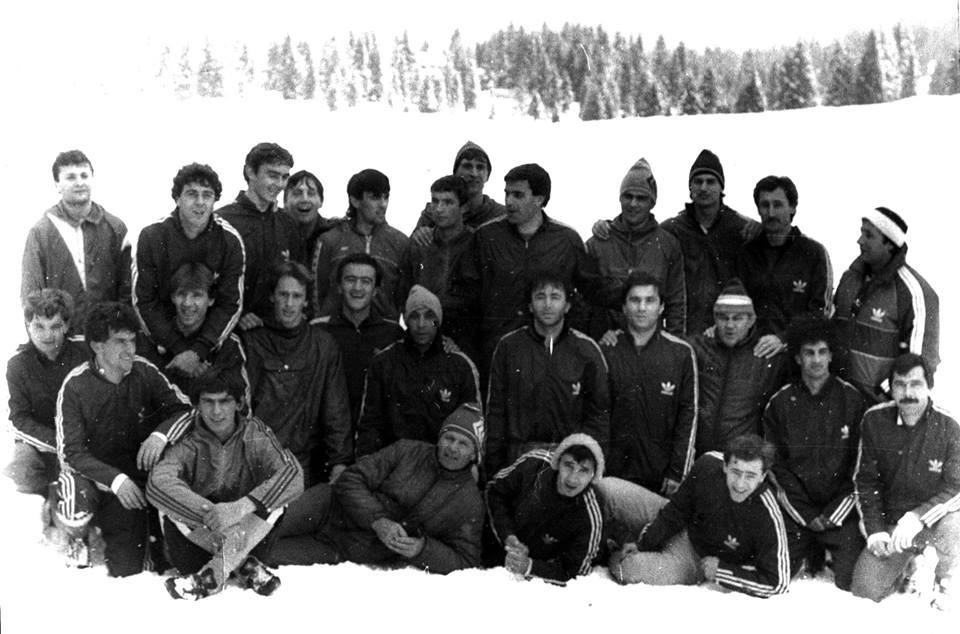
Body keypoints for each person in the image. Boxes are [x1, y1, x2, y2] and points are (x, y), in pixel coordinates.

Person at [54, 302, 193, 576]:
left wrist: (160, 435)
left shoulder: (144, 371)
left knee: (135, 567)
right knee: (73, 488)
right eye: (120, 341)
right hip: (100, 479)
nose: (130, 349)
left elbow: (185, 411)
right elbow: (71, 453)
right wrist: (115, 480)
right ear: (97, 346)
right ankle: (78, 536)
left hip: (140, 477)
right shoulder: (75, 385)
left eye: (132, 340)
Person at [266, 404, 485, 574]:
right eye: (449, 438)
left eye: (463, 444)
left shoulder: (469, 501)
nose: (452, 448)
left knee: (265, 554)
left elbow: (466, 561)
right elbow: (351, 478)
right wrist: (378, 520)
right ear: (440, 438)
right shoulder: (407, 451)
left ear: (474, 455)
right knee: (258, 529)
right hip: (326, 507)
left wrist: (422, 549)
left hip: (344, 549)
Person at [147, 370, 304, 600]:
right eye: (208, 402)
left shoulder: (254, 433)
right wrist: (215, 517)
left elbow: (292, 473)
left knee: (279, 495)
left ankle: (211, 577)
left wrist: (240, 508)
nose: (216, 411)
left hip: (248, 533)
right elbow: (158, 483)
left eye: (225, 401)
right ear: (197, 405)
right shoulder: (186, 438)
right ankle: (243, 565)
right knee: (168, 502)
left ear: (239, 403)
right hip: (198, 540)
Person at [453, 163, 607, 383]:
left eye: (518, 195)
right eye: (507, 193)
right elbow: (464, 297)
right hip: (496, 354)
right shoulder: (486, 237)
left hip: (552, 355)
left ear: (539, 199)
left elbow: (591, 292)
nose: (509, 202)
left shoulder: (566, 240)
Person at [604, 434, 791, 598]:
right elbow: (676, 509)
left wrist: (722, 572)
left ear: (763, 476)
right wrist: (642, 543)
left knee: (627, 569)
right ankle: (619, 538)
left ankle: (609, 549)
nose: (740, 484)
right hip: (680, 522)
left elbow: (778, 583)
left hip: (694, 556)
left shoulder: (767, 512)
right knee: (607, 488)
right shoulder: (708, 464)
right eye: (735, 472)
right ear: (725, 466)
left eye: (750, 476)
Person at [762, 317, 865, 590]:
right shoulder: (780, 403)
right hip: (797, 513)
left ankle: (828, 551)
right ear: (797, 358)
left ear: (831, 355)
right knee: (777, 573)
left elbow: (861, 466)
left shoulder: (852, 400)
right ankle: (810, 550)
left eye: (822, 352)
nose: (816, 360)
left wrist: (834, 513)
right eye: (809, 353)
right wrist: (806, 514)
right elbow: (776, 467)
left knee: (851, 582)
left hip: (839, 513)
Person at [851, 353, 959, 609]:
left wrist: (918, 517)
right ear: (891, 387)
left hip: (932, 522)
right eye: (900, 384)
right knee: (865, 590)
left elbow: (957, 487)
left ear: (929, 386)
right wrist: (875, 531)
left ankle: (945, 581)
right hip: (893, 525)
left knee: (955, 522)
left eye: (915, 384)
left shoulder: (949, 425)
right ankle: (910, 564)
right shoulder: (874, 420)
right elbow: (865, 482)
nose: (907, 392)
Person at [485, 273, 609, 475]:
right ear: (530, 305)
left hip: (569, 462)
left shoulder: (587, 351)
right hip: (517, 458)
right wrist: (493, 467)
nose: (548, 305)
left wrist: (587, 464)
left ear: (567, 305)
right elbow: (496, 412)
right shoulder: (509, 347)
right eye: (540, 296)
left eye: (555, 296)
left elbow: (599, 415)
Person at [242, 261, 351, 485]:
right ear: (272, 296)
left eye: (297, 296)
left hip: (301, 461)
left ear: (306, 301)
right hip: (255, 459)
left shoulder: (322, 345)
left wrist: (339, 461)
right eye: (283, 295)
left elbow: (335, 409)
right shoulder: (252, 340)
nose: (289, 304)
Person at [133, 163, 245, 379]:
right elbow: (143, 301)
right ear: (177, 198)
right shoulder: (152, 236)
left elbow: (231, 303)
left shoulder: (229, 241)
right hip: (161, 342)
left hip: (209, 346)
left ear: (215, 200)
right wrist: (179, 349)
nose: (200, 202)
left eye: (207, 195)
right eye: (192, 194)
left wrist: (198, 351)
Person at [356, 285, 480, 457]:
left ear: (438, 321)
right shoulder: (384, 362)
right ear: (406, 321)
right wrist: (365, 463)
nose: (421, 324)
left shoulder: (460, 365)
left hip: (442, 463)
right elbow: (370, 424)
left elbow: (474, 424)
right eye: (414, 316)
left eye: (430, 316)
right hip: (393, 463)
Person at [602, 272, 697, 496]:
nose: (642, 308)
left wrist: (677, 472)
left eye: (650, 300)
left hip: (659, 477)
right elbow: (595, 413)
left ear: (661, 307)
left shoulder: (681, 353)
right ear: (624, 307)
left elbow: (688, 417)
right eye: (635, 300)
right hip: (611, 473)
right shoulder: (606, 350)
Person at [833, 207, 939, 403]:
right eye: (861, 232)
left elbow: (921, 364)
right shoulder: (850, 278)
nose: (860, 241)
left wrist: (881, 394)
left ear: (889, 244)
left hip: (879, 406)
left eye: (869, 235)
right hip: (839, 400)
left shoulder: (914, 292)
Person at [22, 150, 131, 331]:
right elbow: (31, 293)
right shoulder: (41, 232)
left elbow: (127, 290)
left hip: (105, 336)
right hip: (61, 336)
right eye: (70, 177)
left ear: (92, 179)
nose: (79, 182)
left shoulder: (115, 228)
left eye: (84, 175)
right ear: (57, 184)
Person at [659, 149, 759, 336]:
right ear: (690, 188)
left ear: (721, 187)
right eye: (698, 181)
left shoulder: (742, 229)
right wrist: (607, 226)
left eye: (710, 181)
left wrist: (761, 230)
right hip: (683, 332)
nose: (703, 187)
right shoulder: (671, 230)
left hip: (728, 333)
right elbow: (641, 234)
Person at [486, 433, 605, 583]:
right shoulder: (533, 466)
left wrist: (530, 566)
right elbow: (494, 491)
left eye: (584, 470)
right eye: (568, 465)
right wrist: (508, 535)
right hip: (493, 549)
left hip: (536, 578)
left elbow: (575, 571)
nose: (572, 478)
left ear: (594, 476)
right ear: (558, 462)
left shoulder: (590, 512)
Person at [585, 158, 685, 337]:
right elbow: (583, 304)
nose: (633, 204)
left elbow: (676, 304)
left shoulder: (668, 245)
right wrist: (597, 338)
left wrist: (672, 345)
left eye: (641, 198)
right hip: (607, 344)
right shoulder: (597, 244)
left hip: (653, 345)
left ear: (652, 202)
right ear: (620, 198)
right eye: (628, 196)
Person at [689, 278, 788, 455]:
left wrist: (784, 340)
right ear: (714, 319)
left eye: (738, 318)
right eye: (723, 318)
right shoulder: (698, 348)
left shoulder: (767, 356)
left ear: (751, 321)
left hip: (741, 460)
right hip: (698, 455)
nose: (730, 325)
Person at [5, 289, 89, 496]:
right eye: (39, 326)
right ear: (28, 325)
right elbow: (19, 419)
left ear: (66, 326)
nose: (47, 335)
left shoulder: (85, 351)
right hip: (44, 442)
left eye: (55, 327)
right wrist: (59, 442)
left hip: (84, 439)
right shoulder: (18, 365)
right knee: (22, 470)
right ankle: (44, 499)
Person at [736, 176, 832, 342]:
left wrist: (784, 339)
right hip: (753, 348)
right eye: (765, 205)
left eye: (778, 205)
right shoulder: (747, 253)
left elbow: (820, 312)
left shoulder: (814, 253)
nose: (771, 213)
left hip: (795, 349)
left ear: (793, 207)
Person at [218, 142, 303, 330]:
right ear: (250, 172)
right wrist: (240, 314)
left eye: (284, 177)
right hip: (232, 327)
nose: (279, 184)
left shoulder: (287, 224)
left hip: (278, 328)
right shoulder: (223, 222)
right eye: (272, 175)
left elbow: (297, 278)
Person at [313, 253, 404, 424]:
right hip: (327, 429)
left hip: (375, 430)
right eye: (350, 279)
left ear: (376, 290)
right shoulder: (319, 331)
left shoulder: (393, 333)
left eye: (366, 281)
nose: (357, 288)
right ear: (339, 286)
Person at [312, 168, 409, 320]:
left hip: (383, 330)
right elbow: (316, 294)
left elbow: (403, 298)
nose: (383, 204)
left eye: (386, 197)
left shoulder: (400, 242)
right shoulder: (330, 240)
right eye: (375, 197)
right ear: (355, 201)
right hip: (335, 329)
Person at [399, 175, 477, 357]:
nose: (439, 209)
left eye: (448, 202)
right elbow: (403, 293)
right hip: (423, 335)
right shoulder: (419, 245)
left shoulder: (476, 244)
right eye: (435, 201)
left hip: (465, 339)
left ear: (464, 207)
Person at [149, 263, 248, 402]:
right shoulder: (156, 338)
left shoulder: (229, 344)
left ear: (211, 299)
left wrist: (207, 377)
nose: (187, 303)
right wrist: (172, 370)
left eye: (197, 295)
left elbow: (241, 403)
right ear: (172, 297)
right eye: (181, 294)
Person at [411, 140, 506, 243]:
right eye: (467, 166)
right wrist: (420, 235)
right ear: (455, 172)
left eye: (480, 167)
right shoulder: (434, 212)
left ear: (487, 175)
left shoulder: (501, 215)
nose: (474, 174)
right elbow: (412, 245)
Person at [282, 169, 341, 265]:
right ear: (285, 201)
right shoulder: (274, 233)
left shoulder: (335, 234)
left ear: (321, 201)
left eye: (311, 193)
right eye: (297, 193)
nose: (304, 199)